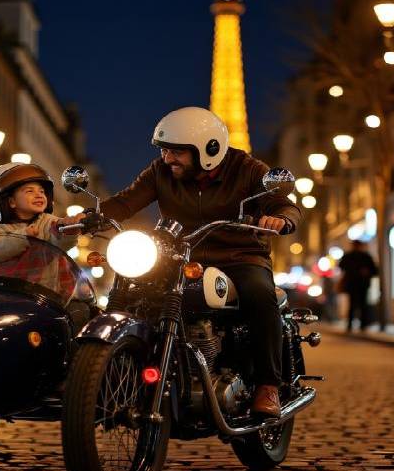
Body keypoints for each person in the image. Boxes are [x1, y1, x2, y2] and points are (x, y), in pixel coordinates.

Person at [64, 106, 299, 417]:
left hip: (238, 256)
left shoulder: (248, 169)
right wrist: (92, 216)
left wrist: (281, 218)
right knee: (135, 291)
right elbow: (127, 200)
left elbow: (284, 204)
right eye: (164, 151)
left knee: (259, 294)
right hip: (177, 255)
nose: (168, 159)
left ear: (209, 150)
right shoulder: (161, 172)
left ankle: (268, 385)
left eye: (177, 152)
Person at [0, 162, 81, 298]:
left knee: (81, 312)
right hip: (1, 294)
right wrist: (22, 236)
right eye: (30, 191)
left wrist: (67, 228)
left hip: (43, 296)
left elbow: (60, 242)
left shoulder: (48, 221)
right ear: (11, 202)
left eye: (42, 191)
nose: (39, 195)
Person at [337, 239, 378, 333]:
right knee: (361, 304)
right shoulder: (365, 256)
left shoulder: (351, 256)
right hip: (360, 284)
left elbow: (341, 266)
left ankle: (353, 325)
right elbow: (374, 270)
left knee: (354, 304)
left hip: (355, 284)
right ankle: (360, 326)